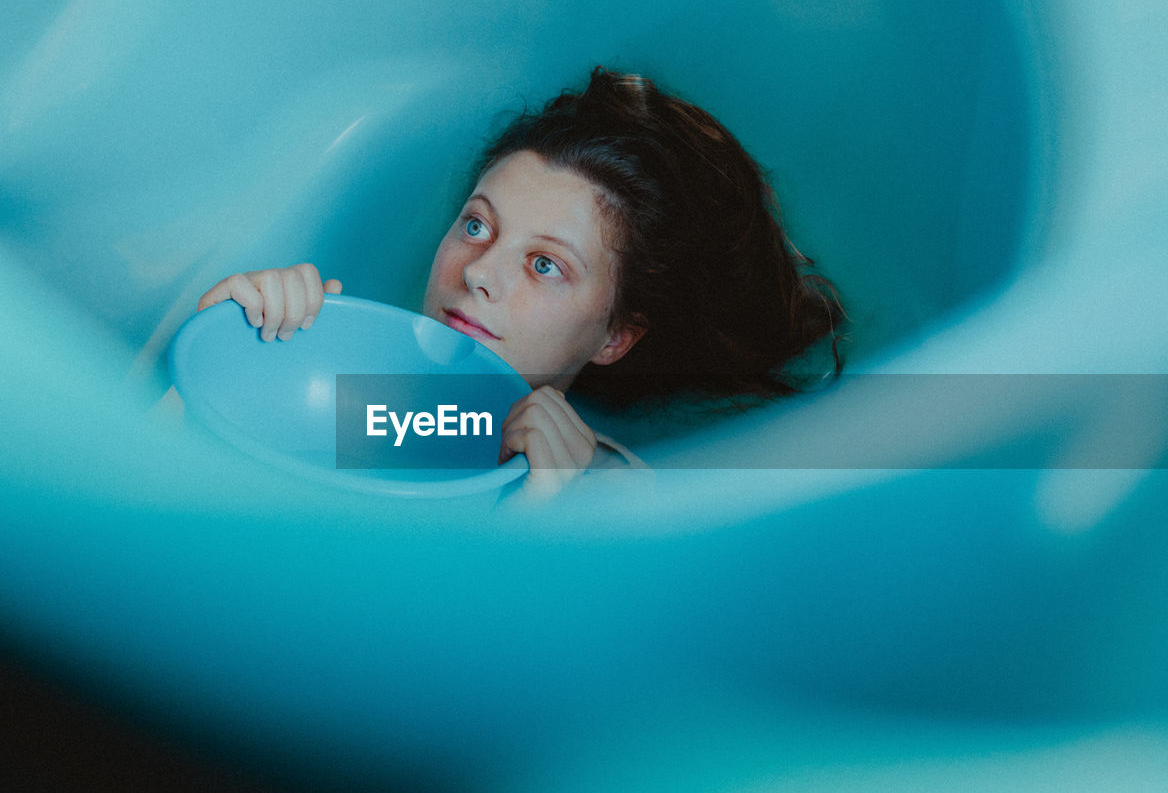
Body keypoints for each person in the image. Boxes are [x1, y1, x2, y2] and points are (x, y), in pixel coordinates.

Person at [189, 67, 845, 498]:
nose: (477, 272)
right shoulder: (366, 408)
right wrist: (230, 349)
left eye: (544, 265)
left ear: (614, 335)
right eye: (477, 226)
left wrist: (536, 520)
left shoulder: (610, 506)